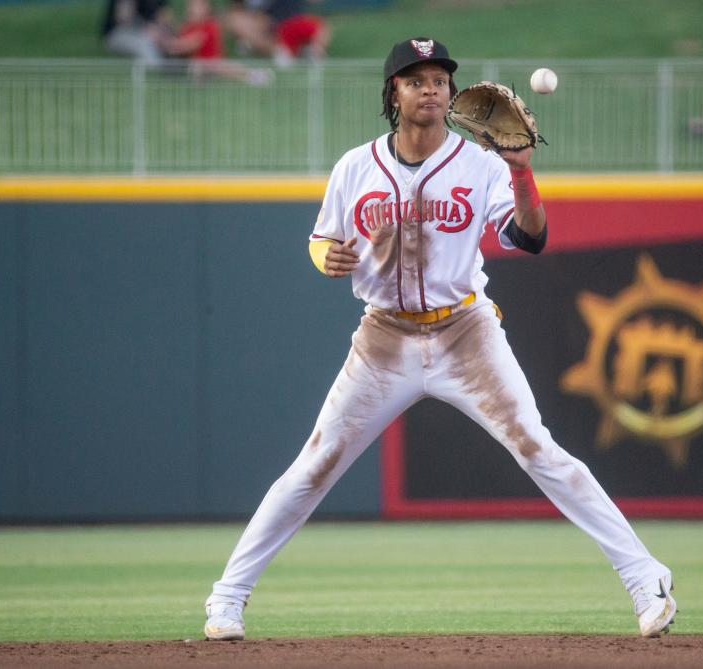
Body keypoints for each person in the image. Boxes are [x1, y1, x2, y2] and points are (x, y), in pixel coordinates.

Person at [202, 36, 677, 641]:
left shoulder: (480, 165)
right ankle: (227, 599)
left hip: (465, 331)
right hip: (383, 339)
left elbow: (528, 237)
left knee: (540, 451)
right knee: (313, 466)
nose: (431, 88)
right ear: (393, 93)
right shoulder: (355, 165)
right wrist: (328, 257)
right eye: (416, 78)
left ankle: (646, 577)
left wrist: (522, 172)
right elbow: (321, 239)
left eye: (440, 79)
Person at [161, 0, 273, 85]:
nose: (192, 9)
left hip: (213, 63)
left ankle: (252, 76)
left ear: (206, 9)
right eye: (191, 6)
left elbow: (193, 42)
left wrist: (171, 45)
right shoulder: (188, 27)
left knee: (224, 66)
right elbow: (182, 42)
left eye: (197, 6)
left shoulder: (209, 25)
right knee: (198, 65)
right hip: (198, 66)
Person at [226, 0, 330, 67]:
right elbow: (236, 10)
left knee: (320, 28)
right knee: (235, 22)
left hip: (290, 21)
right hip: (262, 25)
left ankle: (311, 54)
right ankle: (278, 52)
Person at [101, 0, 173, 66]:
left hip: (149, 33)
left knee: (169, 41)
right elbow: (124, 19)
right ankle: (157, 71)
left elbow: (164, 15)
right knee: (144, 44)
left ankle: (173, 68)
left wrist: (162, 31)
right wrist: (148, 29)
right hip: (118, 33)